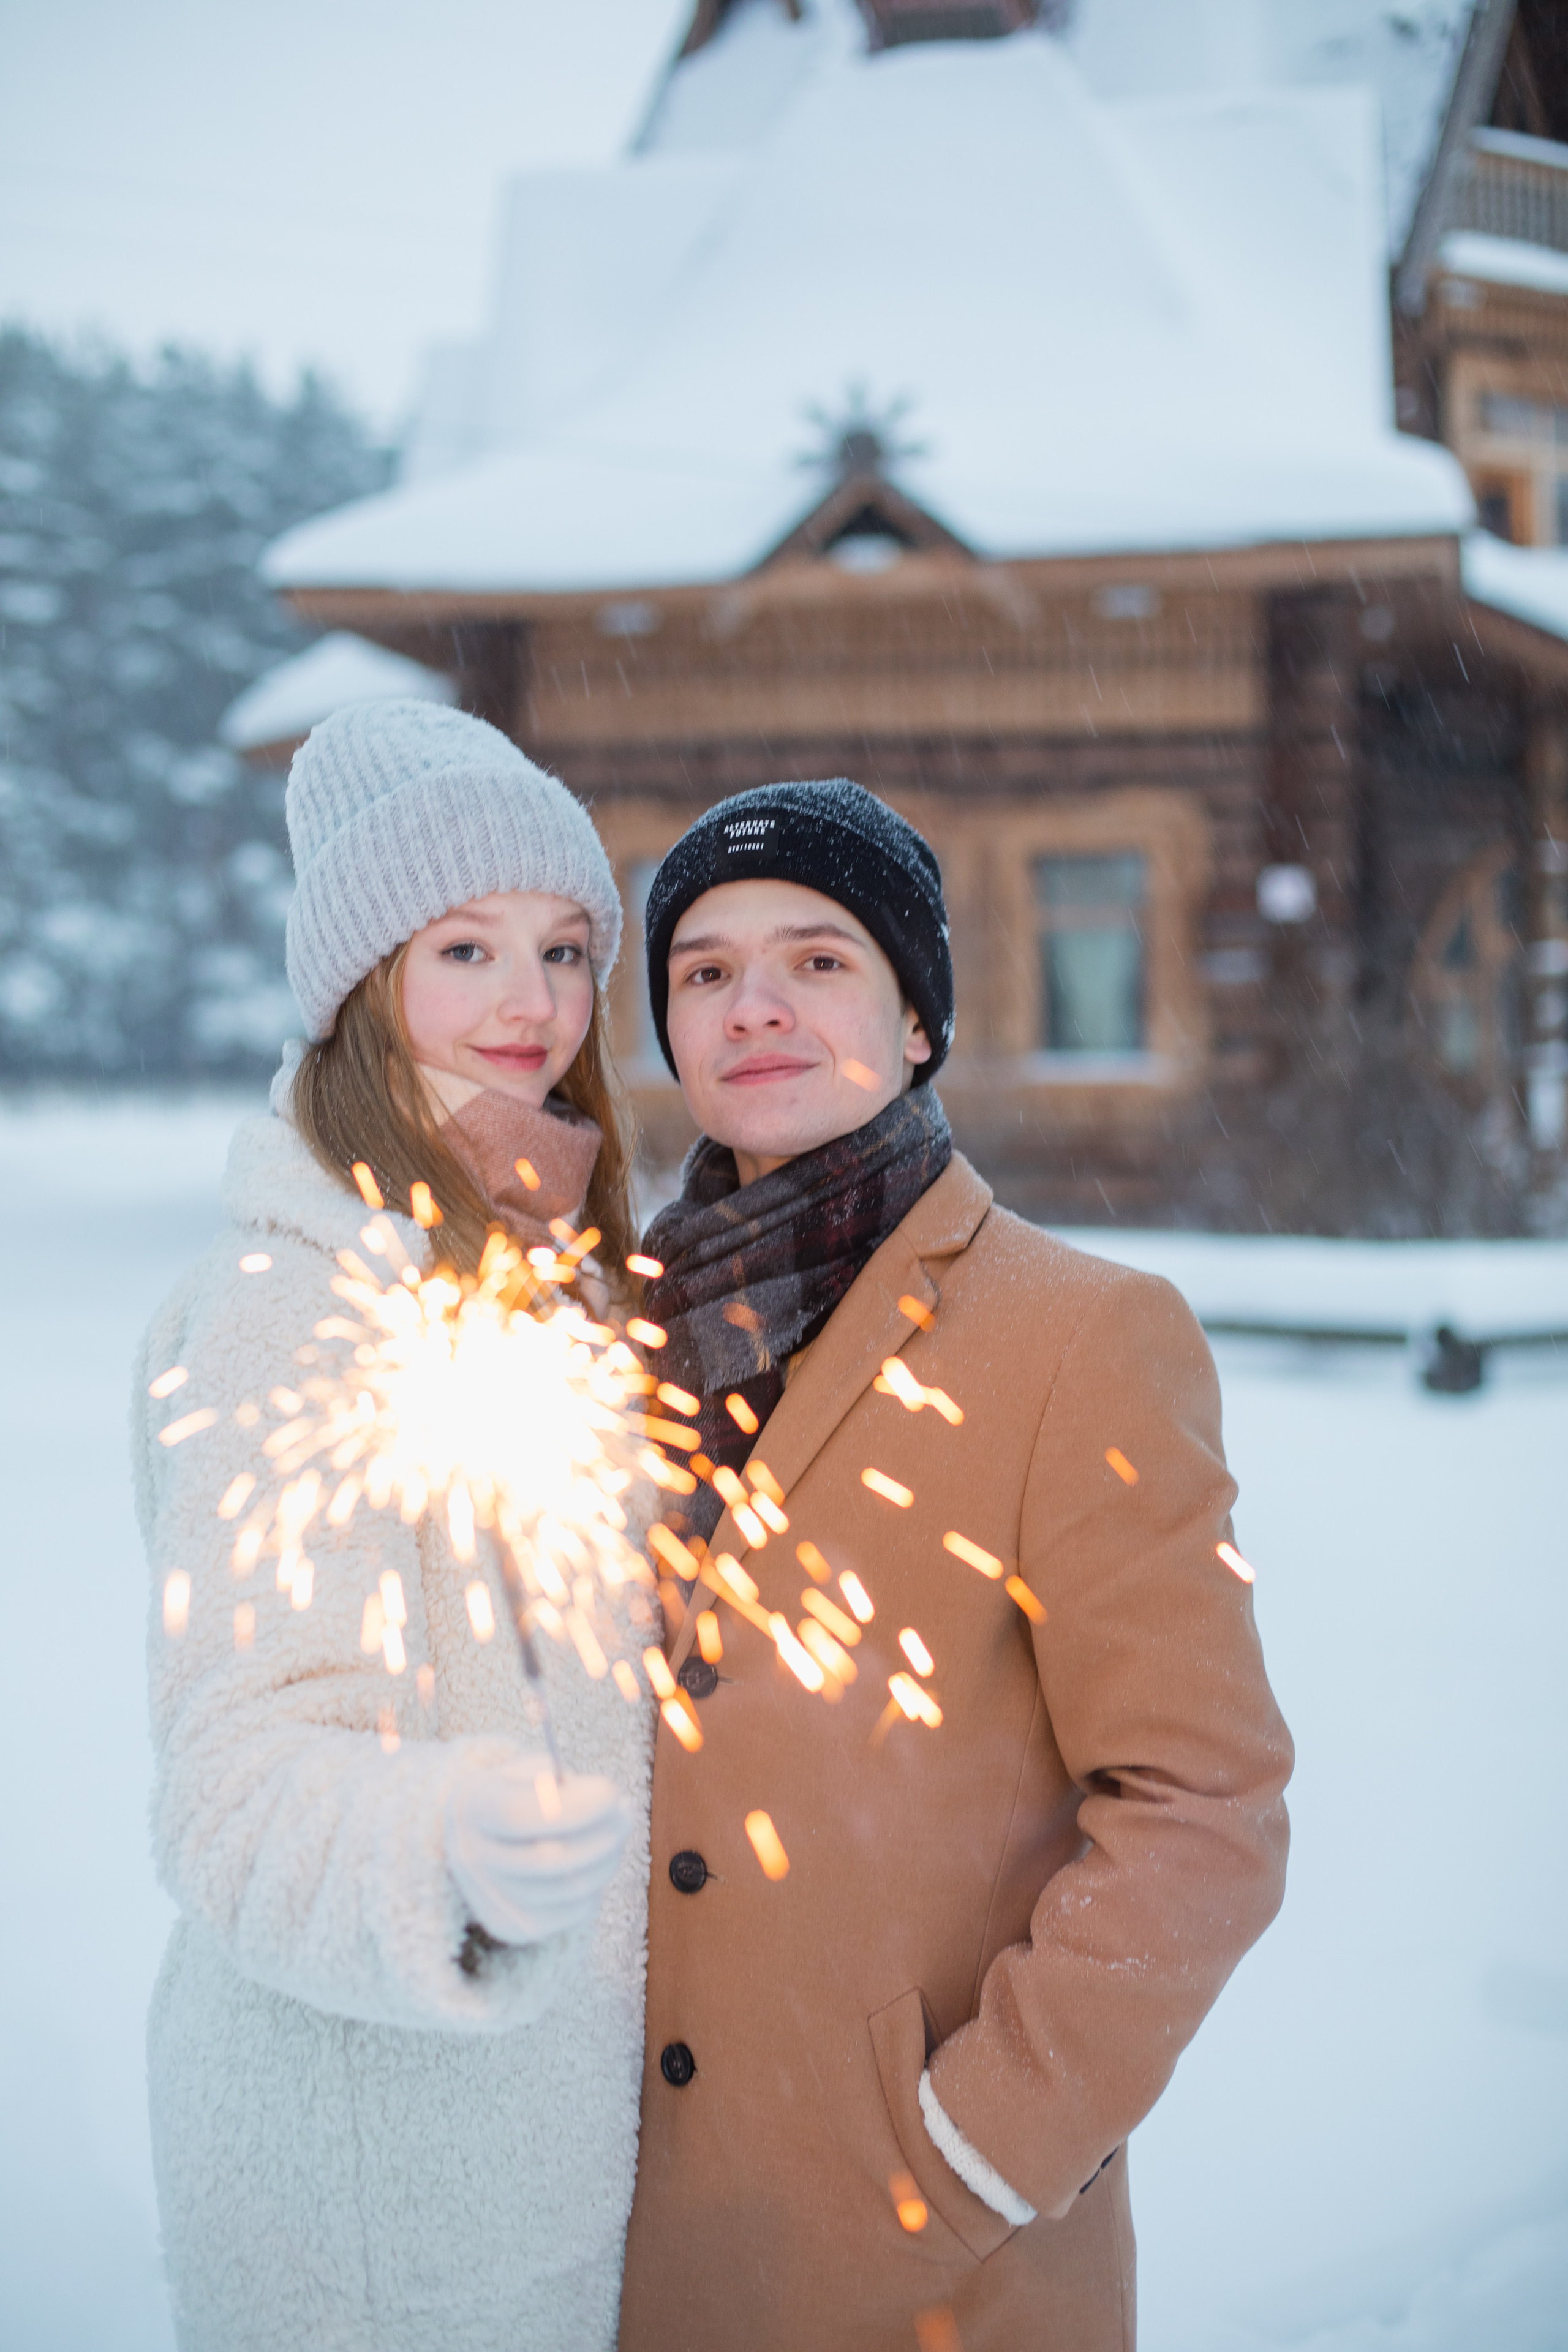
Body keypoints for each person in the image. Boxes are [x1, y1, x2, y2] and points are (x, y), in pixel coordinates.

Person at [619, 780, 1294, 2352]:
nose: (753, 1005)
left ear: (917, 1020)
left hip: (931, 2268)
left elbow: (1203, 1805)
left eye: (818, 960)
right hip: (627, 2247)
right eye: (705, 971)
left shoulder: (1078, 1338)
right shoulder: (614, 1336)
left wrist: (984, 2143)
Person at [134, 701, 657, 2352]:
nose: (533, 1003)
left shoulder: (553, 1272)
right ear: (365, 983)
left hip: (544, 2165)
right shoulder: (289, 1308)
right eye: (467, 949)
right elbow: (234, 1779)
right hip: (366, 2215)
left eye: (564, 950)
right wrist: (436, 1847)